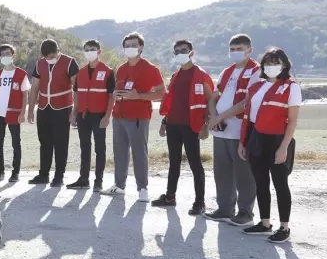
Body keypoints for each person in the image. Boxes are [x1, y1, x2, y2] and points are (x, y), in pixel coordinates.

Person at [235, 47, 300, 244]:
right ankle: (264, 223)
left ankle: (284, 227)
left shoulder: (291, 87)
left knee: (280, 184)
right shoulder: (256, 87)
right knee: (261, 182)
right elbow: (249, 118)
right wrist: (243, 142)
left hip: (278, 140)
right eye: (268, 62)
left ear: (284, 64)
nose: (271, 66)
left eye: (276, 62)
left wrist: (284, 147)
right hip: (257, 138)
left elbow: (293, 121)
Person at [204, 34, 260, 226]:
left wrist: (221, 116)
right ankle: (225, 208)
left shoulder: (256, 71)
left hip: (240, 130)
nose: (236, 52)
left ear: (249, 50)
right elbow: (213, 97)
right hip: (220, 130)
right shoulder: (226, 72)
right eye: (233, 49)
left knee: (244, 172)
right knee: (222, 170)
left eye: (240, 49)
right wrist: (213, 117)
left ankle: (245, 211)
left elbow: (248, 102)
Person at [152, 40, 213, 214]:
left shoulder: (201, 75)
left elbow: (210, 100)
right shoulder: (176, 75)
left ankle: (199, 202)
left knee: (195, 164)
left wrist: (206, 125)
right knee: (174, 162)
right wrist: (165, 122)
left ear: (192, 52)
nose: (180, 53)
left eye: (183, 50)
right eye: (177, 51)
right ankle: (170, 197)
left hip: (192, 126)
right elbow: (172, 102)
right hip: (173, 125)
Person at [103, 32, 165, 201]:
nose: (130, 48)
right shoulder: (121, 69)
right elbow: (121, 89)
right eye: (127, 46)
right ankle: (119, 186)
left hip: (138, 117)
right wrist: (117, 94)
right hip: (119, 116)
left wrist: (139, 96)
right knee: (120, 152)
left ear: (141, 47)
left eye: (133, 45)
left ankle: (142, 189)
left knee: (139, 153)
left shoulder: (151, 69)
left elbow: (161, 94)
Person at [27, 39, 78, 186]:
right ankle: (43, 175)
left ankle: (59, 176)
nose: (49, 59)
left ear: (57, 51)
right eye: (46, 57)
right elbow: (34, 87)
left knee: (61, 143)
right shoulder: (40, 63)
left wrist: (74, 111)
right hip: (43, 108)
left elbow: (77, 88)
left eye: (51, 56)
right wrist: (30, 110)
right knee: (44, 142)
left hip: (62, 108)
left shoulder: (69, 62)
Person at [66, 39, 115, 191]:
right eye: (86, 49)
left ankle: (98, 181)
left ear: (99, 51)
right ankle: (83, 179)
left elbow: (111, 96)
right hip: (83, 115)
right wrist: (74, 113)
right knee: (84, 147)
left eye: (92, 49)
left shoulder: (108, 71)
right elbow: (76, 93)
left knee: (100, 149)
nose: (89, 52)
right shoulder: (80, 72)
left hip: (99, 115)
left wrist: (107, 116)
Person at [0, 44, 29, 183]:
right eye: (3, 54)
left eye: (8, 53)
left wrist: (23, 112)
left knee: (15, 143)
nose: (5, 56)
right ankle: (0, 172)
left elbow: (25, 95)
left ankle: (15, 172)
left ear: (13, 55)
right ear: (0, 57)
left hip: (14, 113)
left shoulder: (21, 74)